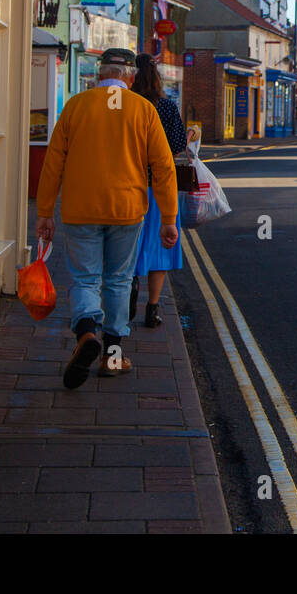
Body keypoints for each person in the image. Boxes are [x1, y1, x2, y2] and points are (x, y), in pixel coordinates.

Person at [36, 48, 179, 390]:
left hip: (80, 208)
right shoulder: (143, 109)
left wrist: (44, 212)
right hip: (126, 210)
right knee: (118, 280)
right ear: (131, 77)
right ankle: (112, 357)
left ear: (100, 74)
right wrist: (168, 218)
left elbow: (53, 162)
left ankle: (87, 332)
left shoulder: (75, 106)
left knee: (85, 279)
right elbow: (163, 167)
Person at [129, 54, 188, 329]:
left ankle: (129, 290)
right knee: (161, 248)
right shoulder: (166, 107)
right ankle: (152, 309)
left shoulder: (126, 106)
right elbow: (176, 146)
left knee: (128, 244)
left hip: (130, 185)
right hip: (161, 188)